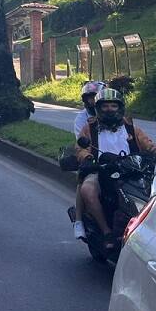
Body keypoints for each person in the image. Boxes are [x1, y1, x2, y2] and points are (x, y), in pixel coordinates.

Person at [73, 87, 156, 249]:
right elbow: (81, 147)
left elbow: (147, 144)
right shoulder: (90, 128)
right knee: (87, 189)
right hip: (101, 170)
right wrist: (87, 157)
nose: (109, 110)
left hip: (131, 170)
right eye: (105, 106)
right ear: (98, 108)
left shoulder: (130, 127)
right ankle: (107, 231)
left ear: (120, 108)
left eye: (113, 106)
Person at [71, 80, 105, 239]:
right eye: (90, 97)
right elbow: (81, 141)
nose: (93, 100)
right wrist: (88, 157)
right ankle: (78, 220)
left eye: (96, 96)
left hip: (118, 160)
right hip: (93, 157)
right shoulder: (82, 119)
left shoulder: (120, 119)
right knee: (83, 180)